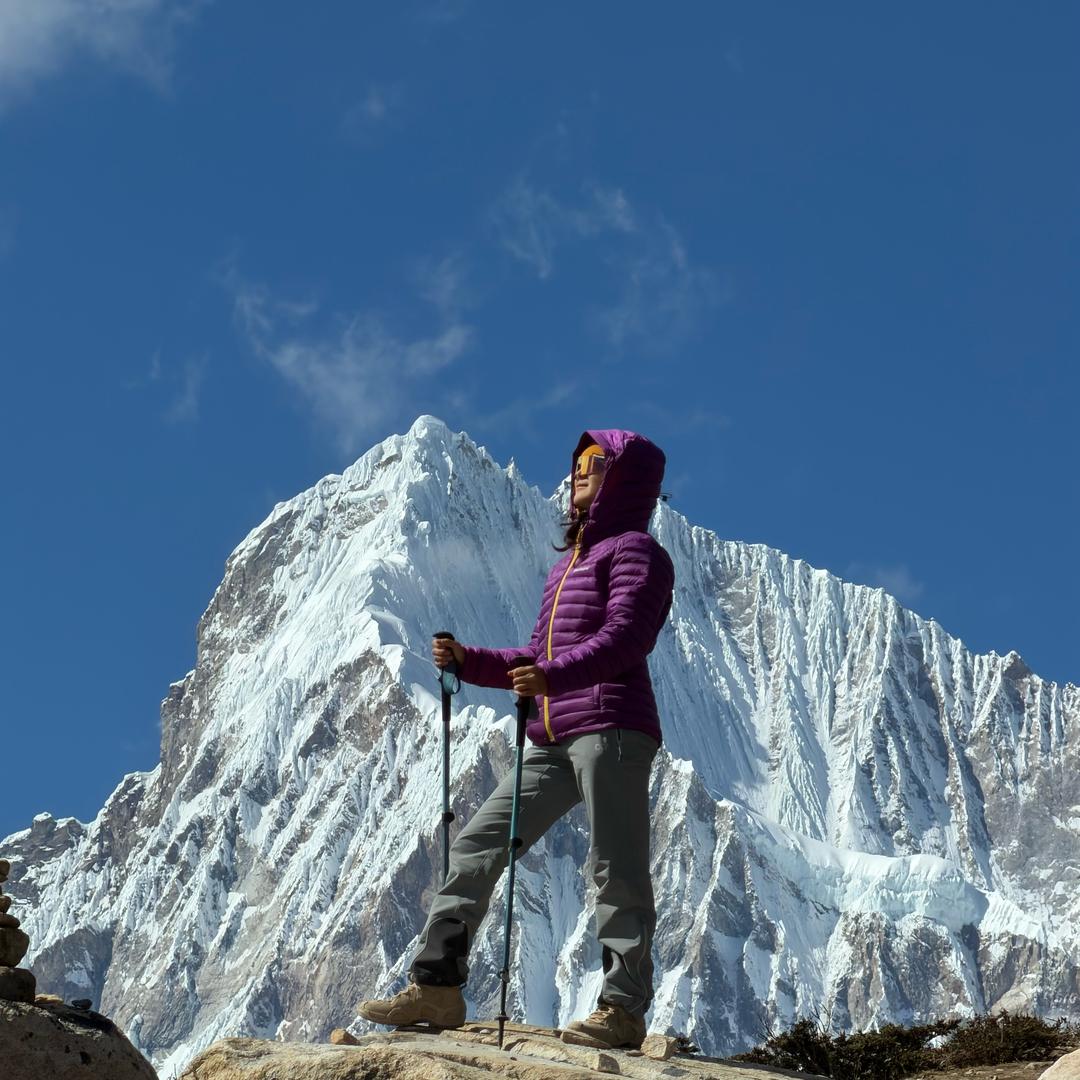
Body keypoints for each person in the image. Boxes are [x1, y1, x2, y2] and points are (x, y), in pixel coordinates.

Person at [356, 429, 675, 1050]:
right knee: (476, 844)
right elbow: (538, 655)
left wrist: (551, 676)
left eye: (594, 463)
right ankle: (437, 986)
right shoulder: (571, 564)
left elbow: (627, 639)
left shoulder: (637, 553)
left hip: (611, 725)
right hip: (553, 736)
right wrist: (469, 662)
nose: (578, 472)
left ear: (625, 477)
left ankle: (622, 1009)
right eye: (577, 462)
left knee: (616, 868)